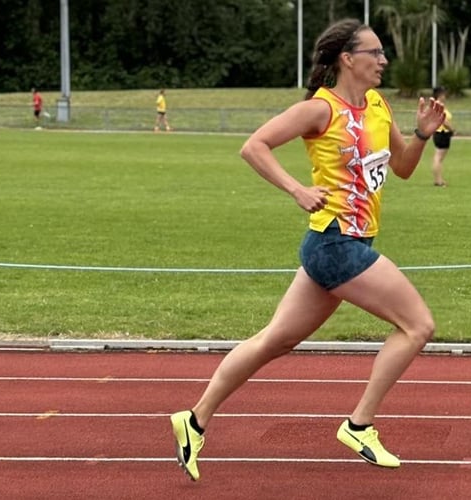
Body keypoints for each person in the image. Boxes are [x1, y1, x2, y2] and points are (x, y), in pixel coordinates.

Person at [169, 18, 446, 481]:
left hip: (336, 245)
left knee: (274, 340)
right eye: (374, 53)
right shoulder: (321, 110)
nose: (383, 61)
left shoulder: (376, 104)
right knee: (418, 325)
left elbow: (400, 168)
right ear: (347, 59)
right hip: (336, 243)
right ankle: (359, 425)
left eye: (382, 53)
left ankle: (193, 420)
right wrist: (297, 189)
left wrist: (420, 135)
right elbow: (253, 147)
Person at [430, 86, 454, 187]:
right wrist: (452, 129)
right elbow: (444, 121)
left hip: (439, 133)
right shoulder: (438, 106)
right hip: (442, 133)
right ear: (440, 95)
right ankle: (438, 180)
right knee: (438, 158)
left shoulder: (436, 105)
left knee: (438, 158)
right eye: (444, 94)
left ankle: (438, 179)